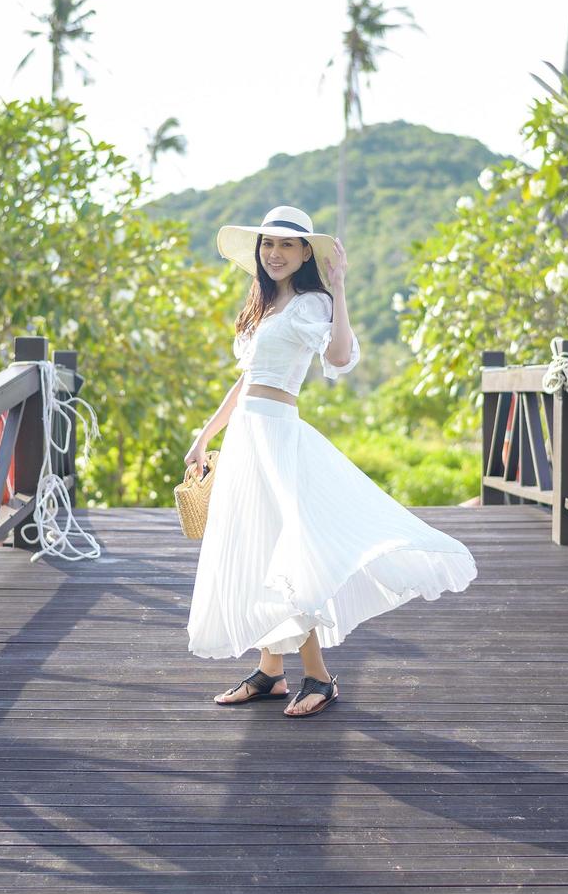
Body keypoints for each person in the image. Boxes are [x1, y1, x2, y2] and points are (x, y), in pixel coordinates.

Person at [183, 205, 479, 717]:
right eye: (267, 244)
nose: (274, 253)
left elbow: (339, 358)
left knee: (289, 554)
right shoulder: (264, 305)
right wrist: (205, 435)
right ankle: (270, 673)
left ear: (305, 253)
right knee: (259, 549)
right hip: (247, 441)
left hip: (278, 438)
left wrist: (339, 287)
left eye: (287, 245)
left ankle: (319, 677)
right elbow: (247, 380)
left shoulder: (311, 304)